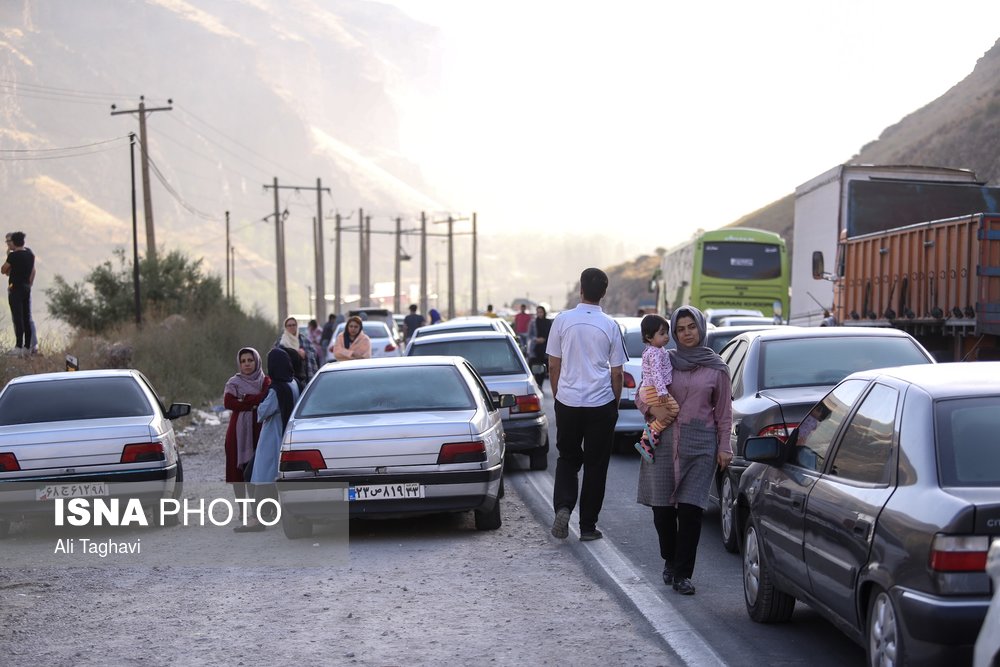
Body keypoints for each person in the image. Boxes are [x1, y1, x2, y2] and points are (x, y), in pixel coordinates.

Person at [635, 305, 733, 596]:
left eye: (692, 327)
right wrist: (654, 410)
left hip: (701, 444)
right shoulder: (663, 360)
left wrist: (725, 446)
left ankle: (682, 574)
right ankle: (669, 558)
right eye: (680, 328)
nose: (687, 333)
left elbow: (724, 412)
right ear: (673, 332)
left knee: (691, 511)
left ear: (701, 329)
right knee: (662, 511)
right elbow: (642, 394)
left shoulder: (717, 367)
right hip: (663, 440)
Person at [547, 268, 627, 542]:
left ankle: (563, 507)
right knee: (595, 465)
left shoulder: (562, 321)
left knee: (567, 459)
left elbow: (553, 365)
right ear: (603, 293)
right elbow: (617, 372)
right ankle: (588, 527)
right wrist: (614, 404)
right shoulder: (610, 325)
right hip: (600, 403)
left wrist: (559, 396)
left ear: (580, 289)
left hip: (568, 401)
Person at [235, 348, 300, 532]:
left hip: (271, 437)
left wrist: (258, 402)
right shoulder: (293, 383)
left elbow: (262, 413)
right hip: (284, 436)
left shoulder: (276, 389)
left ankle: (258, 519)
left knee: (260, 478)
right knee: (261, 476)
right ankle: (268, 513)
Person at [222, 348, 270, 505]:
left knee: (256, 470)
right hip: (237, 432)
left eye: (250, 360)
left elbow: (264, 397)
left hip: (259, 429)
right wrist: (253, 403)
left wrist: (244, 399)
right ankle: (242, 511)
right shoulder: (233, 382)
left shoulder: (265, 381)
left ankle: (258, 509)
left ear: (257, 361)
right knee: (237, 474)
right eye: (243, 361)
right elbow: (228, 402)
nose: (247, 364)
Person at [634, 314, 680, 463]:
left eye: (667, 332)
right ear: (648, 336)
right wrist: (662, 391)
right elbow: (656, 373)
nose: (666, 337)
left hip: (651, 389)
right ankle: (648, 437)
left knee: (667, 411)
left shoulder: (658, 350)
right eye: (661, 333)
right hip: (653, 390)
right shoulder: (654, 352)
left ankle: (649, 434)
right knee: (673, 410)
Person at [2, 231, 35, 356]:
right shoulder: (30, 255)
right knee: (26, 316)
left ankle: (18, 346)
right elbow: (32, 270)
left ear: (14, 243)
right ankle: (27, 347)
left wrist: (8, 258)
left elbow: (3, 269)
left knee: (18, 317)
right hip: (26, 287)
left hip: (15, 289)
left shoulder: (13, 256)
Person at [274, 316, 318, 388]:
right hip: (286, 375)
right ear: (286, 327)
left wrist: (305, 354)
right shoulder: (281, 341)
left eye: (294, 325)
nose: (292, 327)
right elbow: (275, 355)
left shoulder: (303, 340)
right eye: (289, 325)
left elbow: (313, 353)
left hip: (302, 375)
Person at [527, 305, 552, 388]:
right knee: (535, 368)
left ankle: (540, 384)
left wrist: (544, 339)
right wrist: (536, 339)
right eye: (538, 312)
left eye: (541, 312)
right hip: (535, 349)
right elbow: (530, 335)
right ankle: (538, 385)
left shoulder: (548, 322)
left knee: (543, 368)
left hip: (545, 348)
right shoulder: (533, 322)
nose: (539, 314)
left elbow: (551, 334)